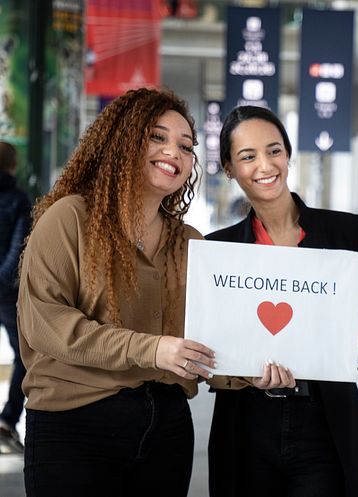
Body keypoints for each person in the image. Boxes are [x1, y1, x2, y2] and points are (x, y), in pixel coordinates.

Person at [16, 88, 219, 497]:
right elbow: (47, 324)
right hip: (75, 424)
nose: (174, 152)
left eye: (186, 145)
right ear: (123, 141)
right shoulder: (70, 218)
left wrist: (278, 365)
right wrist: (152, 350)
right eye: (157, 137)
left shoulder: (189, 242)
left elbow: (217, 337)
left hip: (166, 424)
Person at [206, 105, 358, 497]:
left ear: (288, 155)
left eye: (274, 151)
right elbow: (207, 354)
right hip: (245, 423)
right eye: (247, 156)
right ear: (230, 168)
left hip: (324, 420)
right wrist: (240, 373)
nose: (265, 165)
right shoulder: (217, 251)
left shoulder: (343, 231)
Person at [0, 141, 31, 454]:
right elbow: (19, 248)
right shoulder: (19, 199)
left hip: (6, 289)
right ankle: (7, 420)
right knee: (24, 355)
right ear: (12, 165)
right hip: (8, 292)